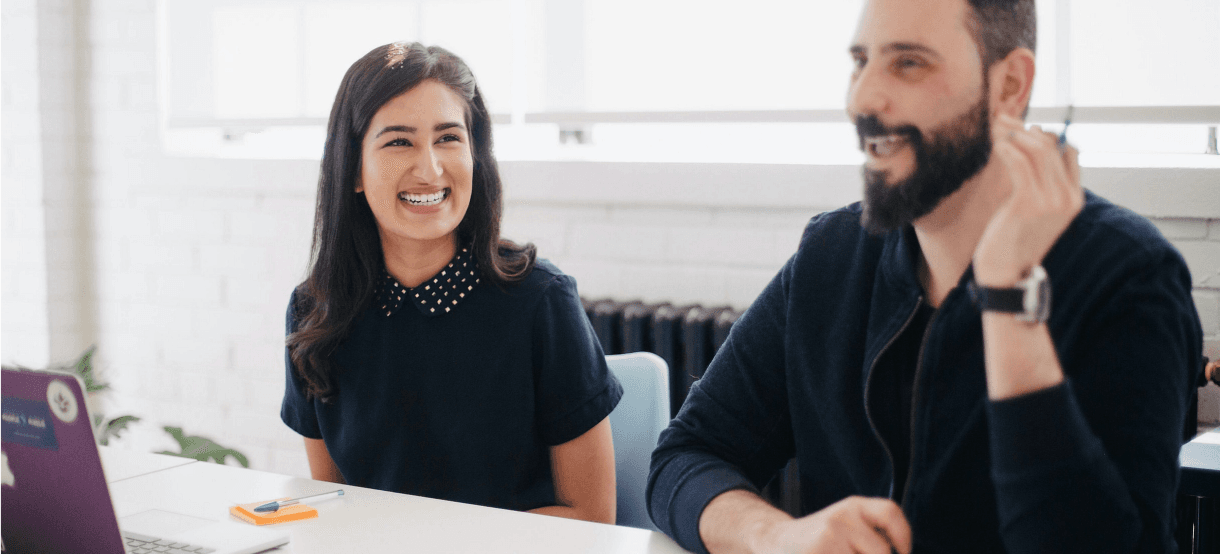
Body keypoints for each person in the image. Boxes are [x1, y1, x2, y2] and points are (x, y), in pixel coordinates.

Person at [647, 0, 1203, 552]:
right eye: (861, 61)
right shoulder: (832, 255)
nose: (862, 97)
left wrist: (1009, 296)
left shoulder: (1131, 279)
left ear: (1009, 85)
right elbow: (686, 456)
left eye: (908, 62)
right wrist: (774, 534)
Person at [281, 42, 621, 524]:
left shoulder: (540, 301)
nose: (430, 169)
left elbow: (591, 516)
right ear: (353, 168)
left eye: (448, 138)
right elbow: (335, 504)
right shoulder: (315, 309)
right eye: (399, 142)